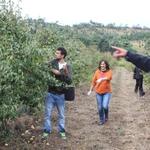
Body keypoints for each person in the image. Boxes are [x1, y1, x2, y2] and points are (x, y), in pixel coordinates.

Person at [43, 47, 72, 140]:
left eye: (57, 53)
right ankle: (47, 131)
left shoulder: (68, 66)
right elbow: (46, 67)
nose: (56, 54)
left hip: (61, 94)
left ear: (62, 55)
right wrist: (54, 71)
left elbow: (69, 81)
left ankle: (62, 131)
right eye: (55, 53)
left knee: (61, 114)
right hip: (50, 93)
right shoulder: (52, 63)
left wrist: (65, 72)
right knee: (47, 114)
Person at [88, 60, 112, 125]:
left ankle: (106, 115)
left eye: (104, 64)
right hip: (98, 92)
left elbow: (109, 77)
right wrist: (90, 90)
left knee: (105, 106)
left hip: (107, 92)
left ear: (106, 65)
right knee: (100, 107)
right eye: (101, 64)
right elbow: (93, 82)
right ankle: (101, 120)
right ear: (100, 65)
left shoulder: (109, 71)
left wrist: (102, 79)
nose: (102, 65)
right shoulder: (97, 72)